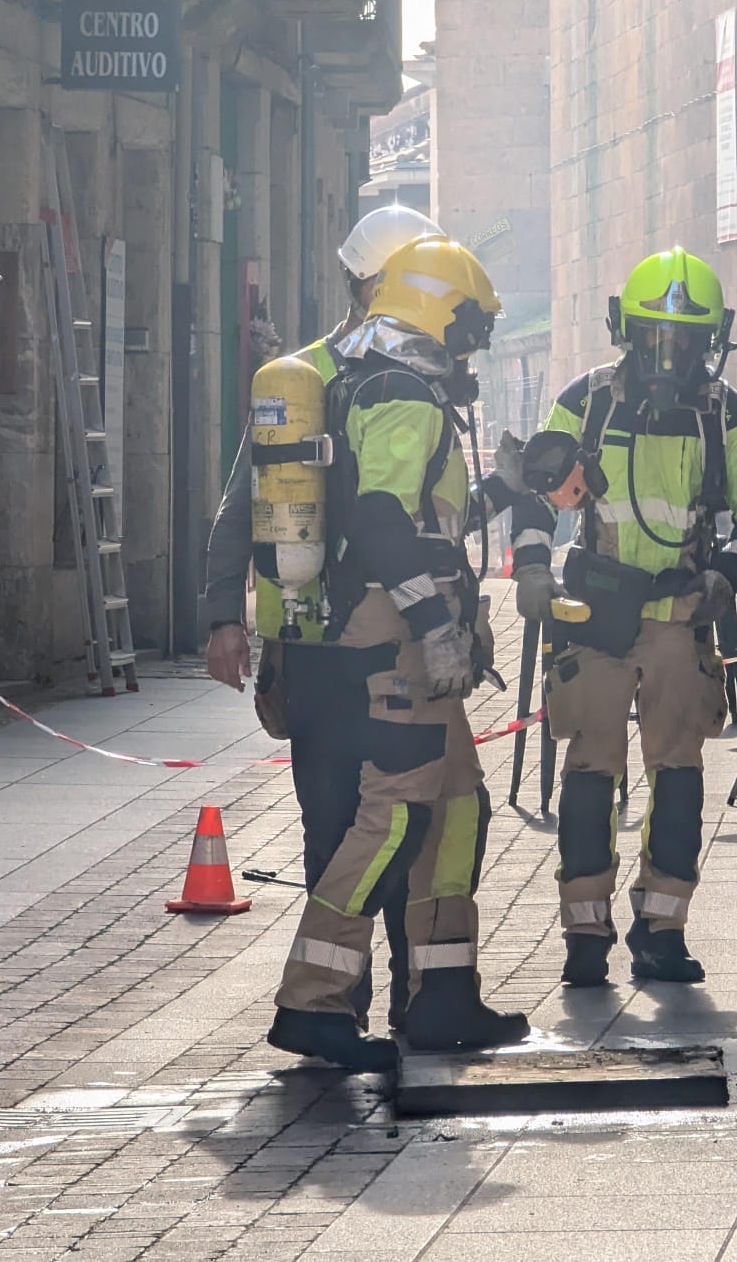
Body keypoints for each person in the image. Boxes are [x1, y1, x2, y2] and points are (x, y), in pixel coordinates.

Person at [267, 235, 531, 1071]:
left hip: (396, 632)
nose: (470, 351)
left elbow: (420, 524)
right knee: (394, 817)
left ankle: (443, 995)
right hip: (395, 641)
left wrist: (503, 488)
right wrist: (438, 626)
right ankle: (313, 1000)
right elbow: (381, 521)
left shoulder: (370, 381)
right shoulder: (406, 393)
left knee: (457, 804)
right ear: (437, 313)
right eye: (468, 330)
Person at [510, 247, 737, 986]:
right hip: (595, 612)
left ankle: (662, 930)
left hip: (678, 614)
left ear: (709, 341)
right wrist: (533, 566)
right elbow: (535, 493)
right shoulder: (587, 403)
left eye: (686, 340)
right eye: (658, 337)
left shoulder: (730, 416)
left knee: (680, 771)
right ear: (627, 331)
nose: (671, 355)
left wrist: (726, 574)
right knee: (590, 769)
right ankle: (586, 935)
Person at [204, 205, 443, 1036]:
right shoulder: (369, 383)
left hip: (303, 647)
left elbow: (236, 507)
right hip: (368, 645)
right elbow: (250, 505)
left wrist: (225, 620)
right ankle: (362, 1006)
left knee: (342, 824)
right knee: (388, 826)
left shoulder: (297, 377)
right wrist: (220, 617)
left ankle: (363, 1005)